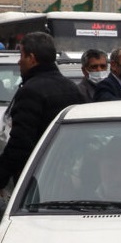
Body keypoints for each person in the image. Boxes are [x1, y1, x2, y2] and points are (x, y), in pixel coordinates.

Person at [0, 32, 86, 189]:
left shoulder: (30, 91)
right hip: (67, 176)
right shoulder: (72, 88)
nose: (19, 62)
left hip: (37, 178)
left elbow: (21, 143)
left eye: (22, 55)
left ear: (32, 58)